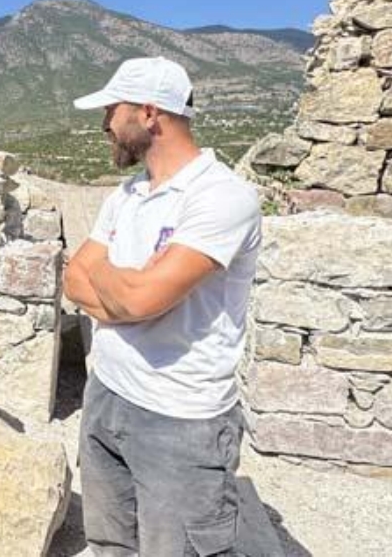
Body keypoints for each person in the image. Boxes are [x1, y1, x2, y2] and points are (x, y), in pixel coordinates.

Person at [62, 57, 262, 557]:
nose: (104, 124)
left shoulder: (220, 197)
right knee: (111, 544)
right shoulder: (126, 195)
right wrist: (126, 292)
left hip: (180, 420)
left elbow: (137, 298)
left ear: (150, 113)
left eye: (112, 110)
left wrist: (110, 280)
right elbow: (73, 281)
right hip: (106, 393)